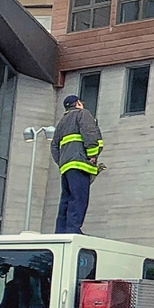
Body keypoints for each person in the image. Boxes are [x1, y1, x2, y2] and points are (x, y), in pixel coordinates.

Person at [51, 94, 103, 235]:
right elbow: (90, 133)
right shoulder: (83, 114)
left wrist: (62, 162)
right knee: (78, 198)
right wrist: (92, 155)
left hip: (66, 167)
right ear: (78, 103)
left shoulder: (61, 123)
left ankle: (61, 231)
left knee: (66, 199)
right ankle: (73, 229)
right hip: (80, 163)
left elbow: (54, 146)